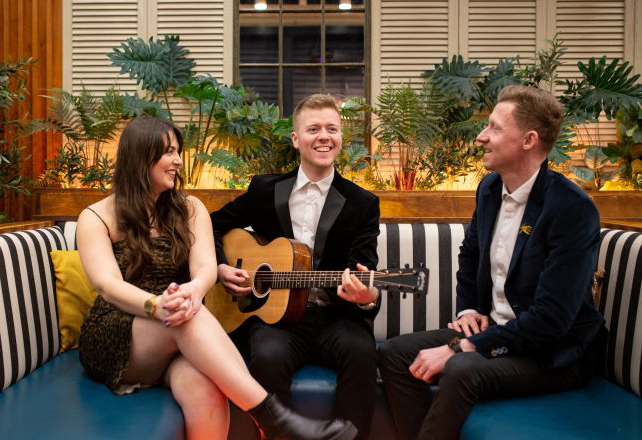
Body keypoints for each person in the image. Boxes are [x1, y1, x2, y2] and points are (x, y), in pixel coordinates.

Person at [76, 116, 357, 440]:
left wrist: (193, 292)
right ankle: (276, 421)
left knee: (206, 392)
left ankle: (276, 422)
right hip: (120, 331)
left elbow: (206, 269)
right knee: (187, 316)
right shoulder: (96, 216)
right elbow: (107, 285)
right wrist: (157, 305)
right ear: (141, 155)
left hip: (180, 324)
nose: (178, 161)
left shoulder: (190, 209)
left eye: (178, 151)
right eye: (169, 152)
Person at [377, 85, 606, 440]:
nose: (481, 136)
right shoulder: (489, 188)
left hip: (555, 352)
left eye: (495, 128)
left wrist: (462, 346)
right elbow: (470, 254)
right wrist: (468, 309)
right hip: (497, 329)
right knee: (394, 353)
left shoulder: (572, 209)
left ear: (528, 140)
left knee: (461, 367)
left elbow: (552, 320)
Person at [211, 94, 381, 439]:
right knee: (267, 356)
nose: (324, 136)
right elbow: (211, 224)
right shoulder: (265, 190)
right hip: (276, 320)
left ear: (341, 137)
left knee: (362, 354)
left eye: (332, 129)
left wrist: (367, 299)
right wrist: (221, 266)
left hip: (336, 317)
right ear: (295, 138)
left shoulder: (362, 203)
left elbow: (364, 269)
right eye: (313, 129)